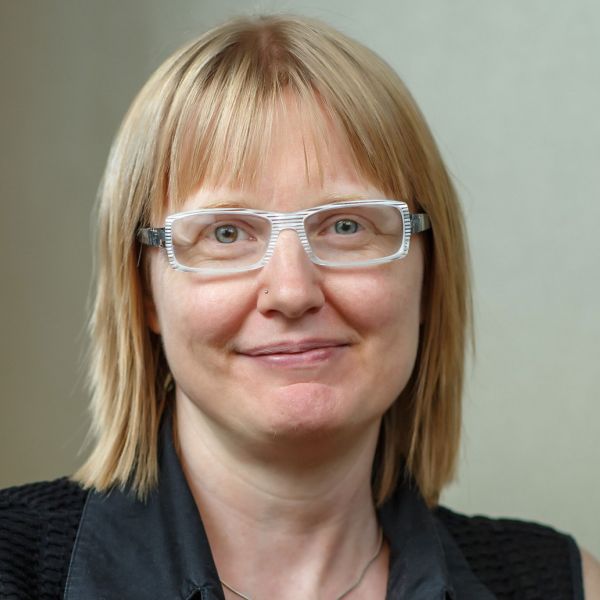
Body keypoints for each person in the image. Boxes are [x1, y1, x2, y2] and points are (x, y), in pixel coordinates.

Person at [1, 14, 599, 600]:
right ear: (144, 291)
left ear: (429, 276)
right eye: (226, 234)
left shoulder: (564, 584)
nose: (292, 291)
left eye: (345, 225)